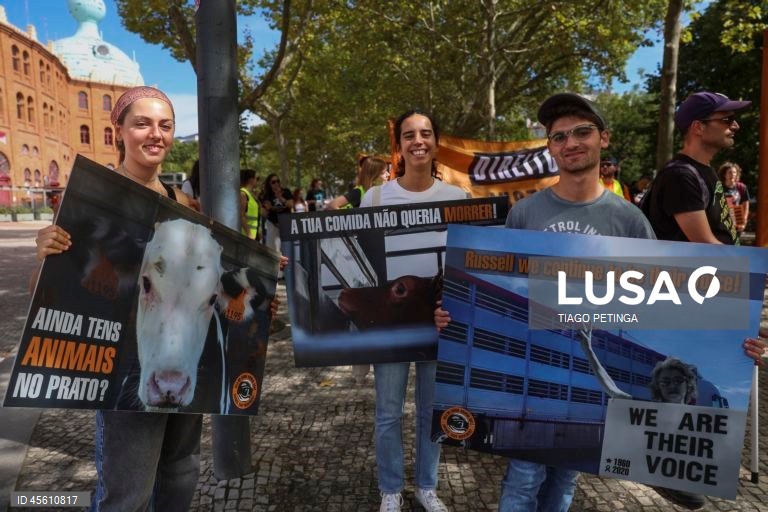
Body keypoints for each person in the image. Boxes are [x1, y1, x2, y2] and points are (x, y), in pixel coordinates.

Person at [435, 93, 656, 511]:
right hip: (533, 373)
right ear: (550, 148)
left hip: (591, 379)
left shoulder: (630, 221)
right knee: (524, 475)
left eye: (582, 132)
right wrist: (453, 314)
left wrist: (735, 334)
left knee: (566, 477)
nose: (571, 142)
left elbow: (659, 304)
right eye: (559, 136)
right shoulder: (524, 214)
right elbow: (495, 288)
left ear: (603, 139)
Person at [34, 86, 199, 512]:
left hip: (181, 359)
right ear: (118, 133)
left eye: (165, 125)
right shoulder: (91, 200)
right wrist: (47, 251)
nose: (155, 134)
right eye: (142, 123)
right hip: (124, 367)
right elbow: (56, 289)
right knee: (128, 493)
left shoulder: (183, 203)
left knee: (180, 471)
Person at [362, 110, 466, 512]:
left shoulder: (458, 200)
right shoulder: (375, 199)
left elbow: (468, 265)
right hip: (392, 325)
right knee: (387, 412)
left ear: (437, 142)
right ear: (400, 146)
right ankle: (390, 489)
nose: (417, 141)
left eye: (425, 134)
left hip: (439, 324)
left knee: (431, 411)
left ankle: (426, 486)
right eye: (409, 135)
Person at [644, 91, 750, 244]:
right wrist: (752, 266)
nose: (736, 126)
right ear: (698, 127)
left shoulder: (703, 170)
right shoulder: (680, 176)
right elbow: (706, 246)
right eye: (727, 119)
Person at [260, 173, 293, 256]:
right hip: (273, 226)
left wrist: (280, 198)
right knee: (273, 251)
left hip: (286, 225)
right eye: (273, 182)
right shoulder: (267, 195)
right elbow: (264, 213)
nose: (276, 183)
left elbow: (291, 204)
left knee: (287, 250)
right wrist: (267, 208)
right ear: (269, 184)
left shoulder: (286, 191)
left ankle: (287, 268)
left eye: (278, 181)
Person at [718, 162, 749, 235]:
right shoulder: (719, 188)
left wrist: (744, 220)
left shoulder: (741, 187)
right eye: (730, 172)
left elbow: (746, 205)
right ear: (724, 175)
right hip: (722, 223)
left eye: (735, 172)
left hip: (737, 222)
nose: (733, 175)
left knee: (735, 244)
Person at [240, 169, 261, 241]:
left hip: (253, 236)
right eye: (257, 178)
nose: (258, 181)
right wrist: (249, 235)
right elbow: (241, 216)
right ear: (251, 180)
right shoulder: (243, 194)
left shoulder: (250, 195)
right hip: (246, 237)